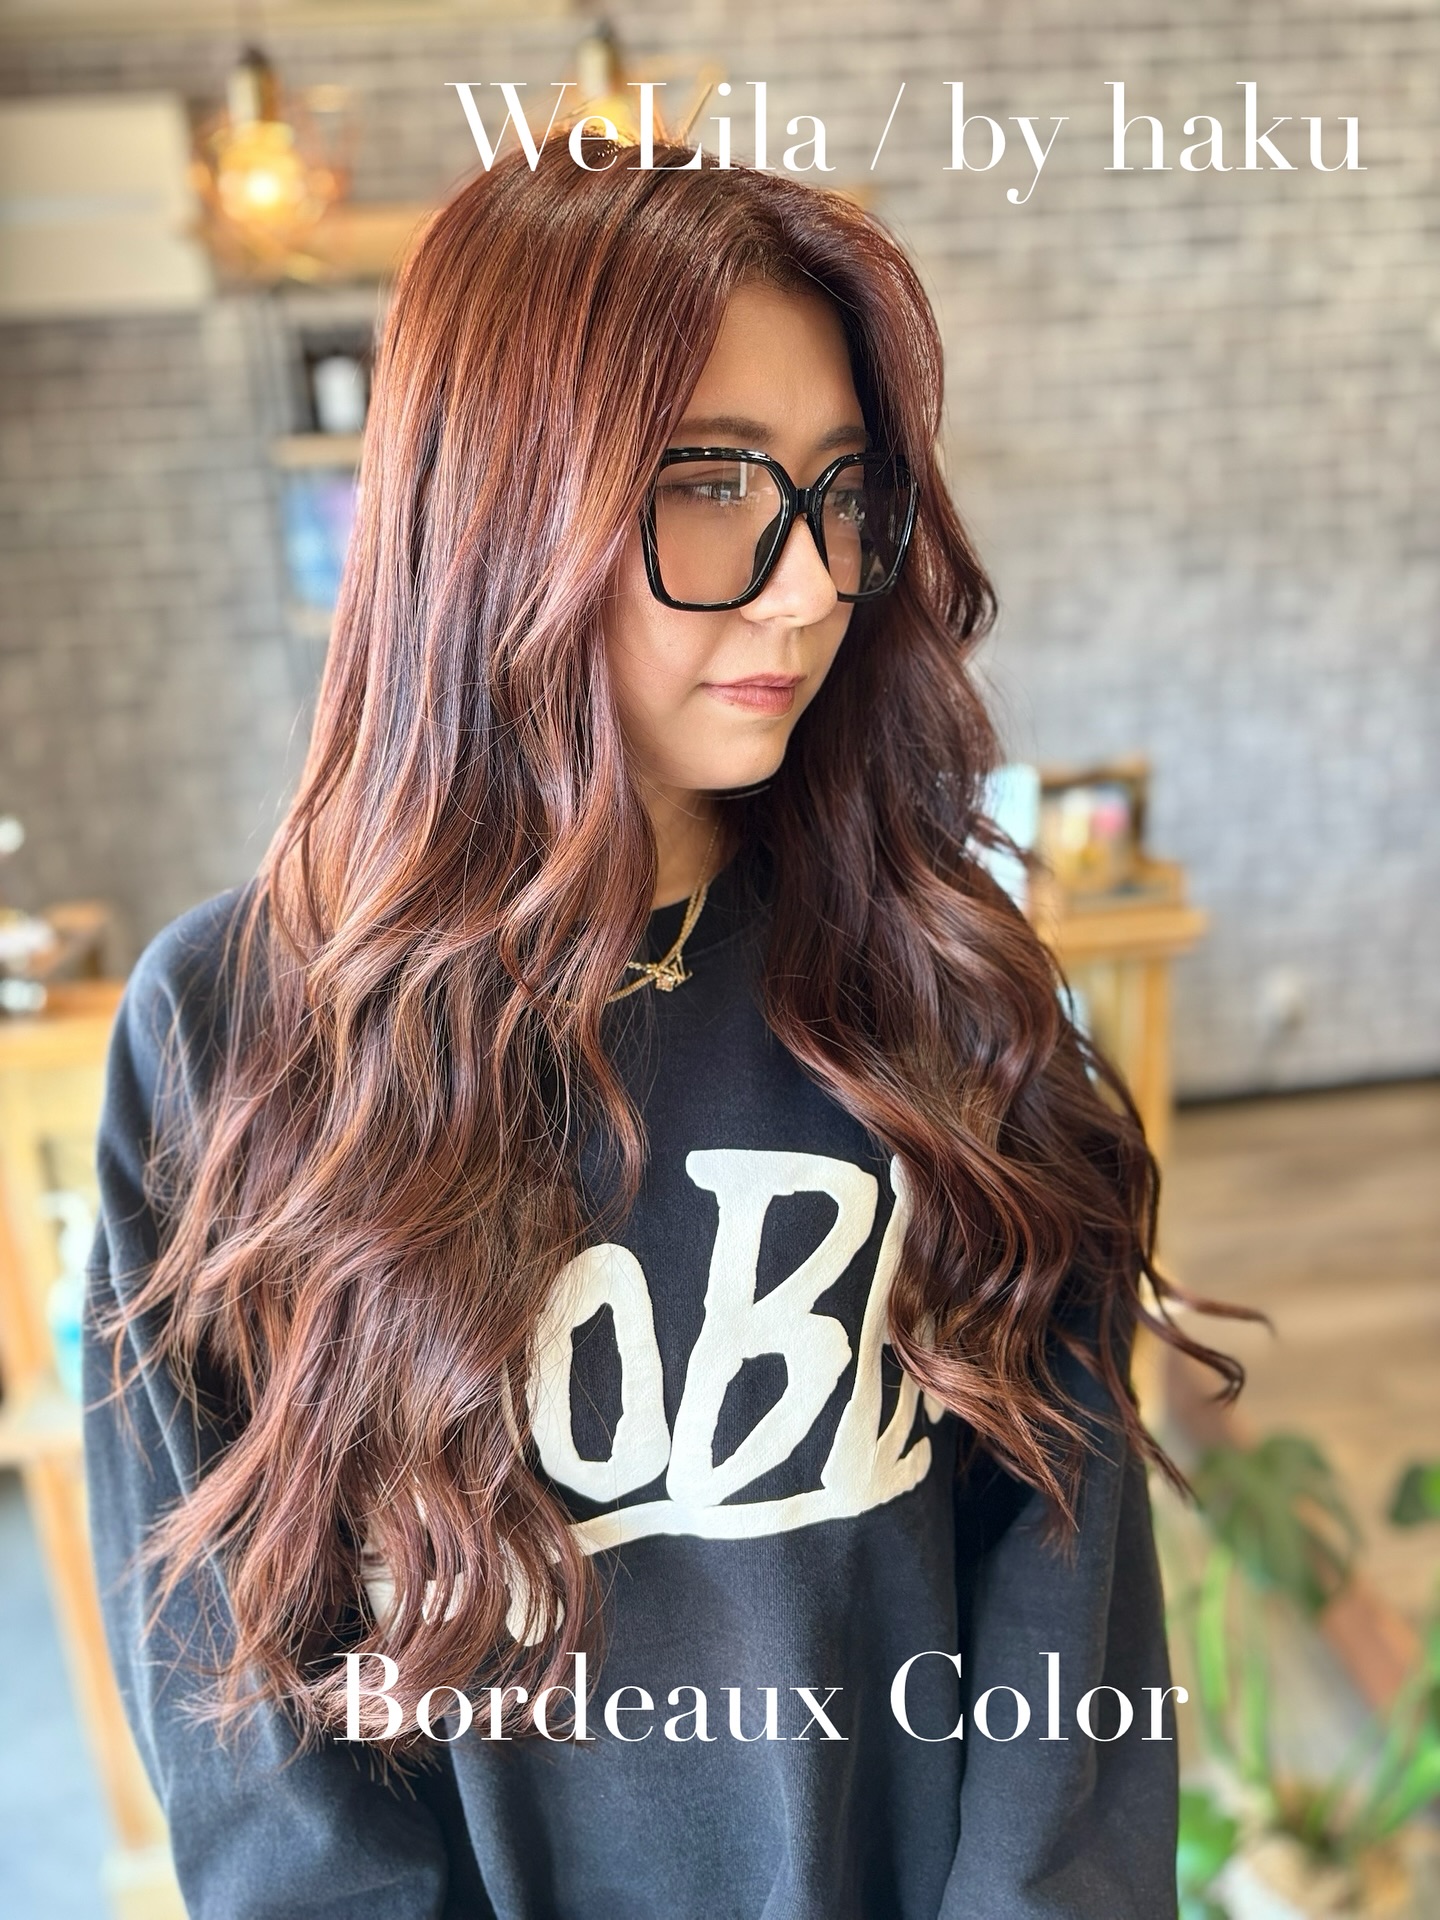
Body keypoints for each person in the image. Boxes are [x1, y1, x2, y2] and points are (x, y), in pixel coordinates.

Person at [84, 134, 1239, 1920]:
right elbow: (249, 1742)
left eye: (841, 494)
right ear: (496, 503)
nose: (810, 584)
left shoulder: (942, 985)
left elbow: (1062, 1609)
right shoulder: (234, 1035)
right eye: (712, 484)